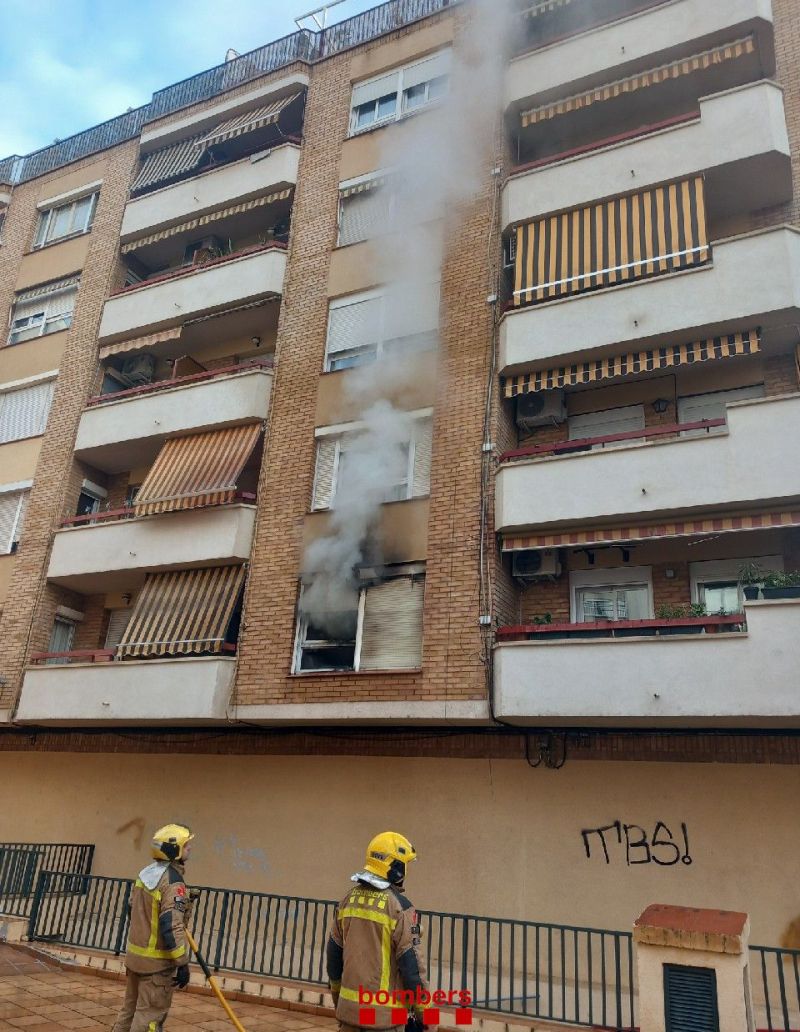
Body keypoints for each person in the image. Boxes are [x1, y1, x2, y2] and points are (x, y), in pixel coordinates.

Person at [326, 831, 429, 1032]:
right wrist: (426, 1016)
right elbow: (412, 969)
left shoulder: (347, 900)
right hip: (384, 1020)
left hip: (349, 1015)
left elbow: (333, 956)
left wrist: (339, 1002)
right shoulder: (400, 908)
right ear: (397, 868)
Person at [111, 823, 194, 1032]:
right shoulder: (173, 883)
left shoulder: (145, 874)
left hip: (135, 959)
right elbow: (171, 925)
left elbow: (132, 909)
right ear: (174, 851)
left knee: (128, 1013)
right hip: (156, 967)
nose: (190, 849)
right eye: (186, 846)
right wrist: (182, 962)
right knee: (148, 1017)